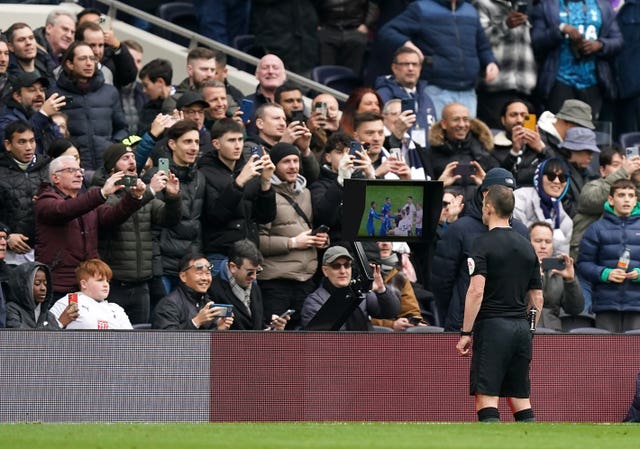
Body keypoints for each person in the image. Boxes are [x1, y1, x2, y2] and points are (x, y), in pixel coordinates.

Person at [456, 184, 543, 422]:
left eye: (484, 206)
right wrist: (530, 329)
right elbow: (537, 297)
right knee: (519, 397)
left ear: (490, 208)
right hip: (521, 329)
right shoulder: (527, 247)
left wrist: (465, 332)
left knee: (486, 395)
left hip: (493, 326)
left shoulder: (481, 244)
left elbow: (476, 291)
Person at [91, 143, 182, 324]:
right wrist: (148, 192)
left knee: (140, 338)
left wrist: (172, 198)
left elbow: (168, 219)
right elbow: (113, 217)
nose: (132, 161)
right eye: (125, 158)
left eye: (133, 157)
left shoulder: (141, 192)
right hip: (114, 284)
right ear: (112, 169)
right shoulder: (100, 193)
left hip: (142, 285)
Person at [34, 155, 146, 297]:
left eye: (80, 170)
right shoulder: (46, 200)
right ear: (55, 178)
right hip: (59, 284)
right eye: (71, 170)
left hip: (87, 283)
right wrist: (102, 193)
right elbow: (64, 210)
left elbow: (111, 217)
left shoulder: (86, 201)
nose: (79, 174)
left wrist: (133, 197)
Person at [432, 167, 529, 331]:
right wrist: (457, 308)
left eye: (511, 191)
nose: (507, 196)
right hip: (464, 323)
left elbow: (526, 283)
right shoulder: (460, 229)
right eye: (502, 191)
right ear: (485, 193)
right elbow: (442, 281)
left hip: (507, 323)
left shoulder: (521, 231)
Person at [378, 0, 499, 117]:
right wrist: (409, 46)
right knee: (436, 135)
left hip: (468, 91)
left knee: (465, 136)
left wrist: (490, 62)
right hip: (435, 89)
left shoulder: (470, 10)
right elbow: (388, 31)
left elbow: (483, 45)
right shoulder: (421, 8)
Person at [258, 143, 329, 329]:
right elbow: (258, 241)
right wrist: (293, 243)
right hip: (276, 282)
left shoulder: (306, 193)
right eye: (286, 162)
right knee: (275, 340)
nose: (292, 166)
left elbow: (309, 228)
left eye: (296, 161)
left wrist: (321, 240)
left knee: (304, 342)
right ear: (274, 166)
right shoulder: (265, 194)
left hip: (306, 281)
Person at [199, 118, 276, 275]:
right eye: (231, 140)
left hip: (249, 255)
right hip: (220, 256)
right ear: (216, 144)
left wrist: (266, 182)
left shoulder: (249, 169)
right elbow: (215, 216)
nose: (238, 145)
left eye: (240, 139)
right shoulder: (205, 172)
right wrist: (238, 182)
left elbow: (265, 217)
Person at [530, 0, 623, 118]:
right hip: (559, 79)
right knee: (559, 131)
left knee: (589, 131)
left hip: (593, 80)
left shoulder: (603, 6)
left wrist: (600, 45)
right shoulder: (547, 5)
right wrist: (560, 29)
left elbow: (618, 40)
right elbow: (536, 41)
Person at [144, 120, 205, 297]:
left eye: (196, 142)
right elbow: (153, 228)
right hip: (164, 266)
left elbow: (197, 224)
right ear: (172, 144)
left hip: (189, 265)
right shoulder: (156, 176)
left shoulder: (199, 178)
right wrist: (156, 269)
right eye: (187, 142)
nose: (194, 147)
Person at [52, 41, 128, 171]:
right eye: (82, 59)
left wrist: (113, 147)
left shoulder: (110, 92)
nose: (89, 63)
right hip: (73, 168)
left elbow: (122, 128)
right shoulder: (55, 94)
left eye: (92, 59)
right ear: (70, 64)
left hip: (107, 167)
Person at [578, 179, 640, 332]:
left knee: (634, 354)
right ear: (611, 200)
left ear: (635, 200)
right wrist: (605, 273)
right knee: (606, 354)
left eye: (631, 195)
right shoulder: (596, 229)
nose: (626, 199)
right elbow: (583, 265)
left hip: (637, 305)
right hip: (605, 305)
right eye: (621, 195)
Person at [300, 245, 400, 331]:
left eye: (347, 265)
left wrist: (381, 290)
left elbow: (390, 312)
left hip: (366, 348)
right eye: (336, 266)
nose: (343, 271)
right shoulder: (314, 302)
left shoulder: (360, 292)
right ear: (325, 271)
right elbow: (319, 340)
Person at [472, 0, 537, 129]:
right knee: (497, 140)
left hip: (525, 88)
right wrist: (505, 25)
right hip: (496, 88)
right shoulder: (482, 4)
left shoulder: (523, 5)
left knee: (527, 136)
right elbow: (479, 41)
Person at [571, 147, 640, 261]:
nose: (625, 168)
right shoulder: (593, 186)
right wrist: (622, 172)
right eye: (616, 165)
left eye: (626, 165)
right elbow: (594, 201)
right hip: (587, 256)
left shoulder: (634, 191)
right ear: (602, 170)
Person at [0, 121, 51, 265]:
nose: (28, 147)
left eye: (32, 141)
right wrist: (7, 236)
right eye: (22, 142)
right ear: (8, 144)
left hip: (46, 249)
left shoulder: (48, 168)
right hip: (10, 254)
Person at [209, 240, 289, 331]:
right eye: (250, 272)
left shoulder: (254, 288)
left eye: (258, 271)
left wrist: (274, 329)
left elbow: (259, 328)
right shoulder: (212, 289)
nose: (254, 277)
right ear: (233, 267)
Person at [310, 130, 375, 243]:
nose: (346, 157)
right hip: (340, 249)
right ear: (328, 157)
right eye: (340, 152)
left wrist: (370, 176)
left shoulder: (363, 179)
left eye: (349, 152)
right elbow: (323, 218)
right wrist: (341, 182)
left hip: (369, 248)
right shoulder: (319, 185)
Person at [428, 102, 496, 200]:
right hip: (448, 211)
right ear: (444, 124)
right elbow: (425, 195)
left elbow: (500, 192)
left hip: (479, 211)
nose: (462, 124)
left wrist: (486, 185)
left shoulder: (484, 149)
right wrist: (439, 184)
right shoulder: (431, 154)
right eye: (456, 120)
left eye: (465, 119)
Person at [152, 253, 234, 330]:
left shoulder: (207, 302)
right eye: (199, 273)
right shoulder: (168, 305)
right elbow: (166, 342)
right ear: (183, 276)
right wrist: (196, 322)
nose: (205, 278)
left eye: (208, 273)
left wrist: (218, 328)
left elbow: (204, 341)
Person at [375, 45, 438, 145]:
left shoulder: (426, 97)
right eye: (405, 64)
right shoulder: (382, 96)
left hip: (423, 157)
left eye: (414, 64)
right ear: (394, 68)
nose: (410, 68)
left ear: (420, 68)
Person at [529, 221, 584, 331]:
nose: (543, 246)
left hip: (553, 332)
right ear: (528, 242)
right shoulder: (517, 269)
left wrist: (570, 281)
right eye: (538, 241)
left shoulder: (558, 271)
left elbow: (575, 309)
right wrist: (534, 277)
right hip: (525, 330)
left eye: (548, 241)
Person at [50, 259, 132, 329]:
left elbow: (131, 340)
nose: (106, 284)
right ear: (84, 284)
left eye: (107, 281)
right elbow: (44, 333)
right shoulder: (69, 301)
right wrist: (60, 323)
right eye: (100, 280)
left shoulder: (116, 309)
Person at [513, 158, 573, 255]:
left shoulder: (565, 222)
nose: (557, 181)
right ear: (539, 177)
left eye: (562, 177)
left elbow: (560, 262)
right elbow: (516, 241)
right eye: (551, 176)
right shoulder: (519, 198)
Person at [491, 99, 551, 187]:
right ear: (503, 120)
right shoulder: (493, 147)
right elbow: (496, 181)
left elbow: (558, 170)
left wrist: (542, 150)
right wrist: (514, 152)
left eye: (524, 116)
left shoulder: (543, 142)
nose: (519, 120)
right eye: (513, 115)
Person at [0, 72, 63, 154]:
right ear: (17, 96)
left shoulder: (44, 117)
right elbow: (18, 139)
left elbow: (58, 144)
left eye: (42, 90)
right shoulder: (6, 118)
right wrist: (43, 114)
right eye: (32, 90)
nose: (39, 94)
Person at [370, 241, 426, 331]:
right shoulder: (364, 274)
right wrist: (391, 325)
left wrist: (415, 323)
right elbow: (359, 316)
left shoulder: (399, 276)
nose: (385, 243)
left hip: (397, 334)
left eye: (389, 240)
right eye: (379, 241)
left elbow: (411, 311)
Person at [314, 0, 377, 76]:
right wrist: (317, 23)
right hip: (329, 27)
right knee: (325, 69)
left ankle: (350, 86)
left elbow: (373, 5)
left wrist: (366, 24)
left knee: (353, 71)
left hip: (355, 28)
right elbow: (313, 5)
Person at [555, 127, 601, 218]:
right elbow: (566, 208)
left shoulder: (589, 172)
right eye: (587, 152)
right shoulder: (558, 173)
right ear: (572, 150)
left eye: (591, 153)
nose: (591, 157)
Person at [5, 262, 66, 329]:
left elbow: (56, 337)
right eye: (37, 283)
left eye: (45, 284)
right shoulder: (11, 309)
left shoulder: (47, 315)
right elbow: (18, 337)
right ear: (23, 286)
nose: (43, 288)